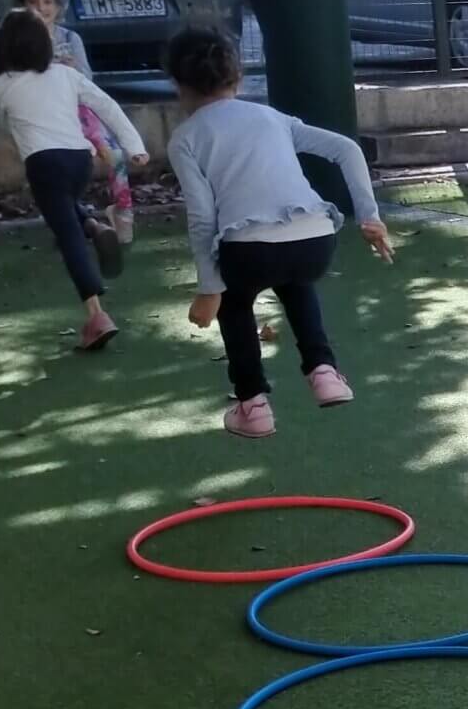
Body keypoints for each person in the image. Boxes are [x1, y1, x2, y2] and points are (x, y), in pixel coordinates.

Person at [163, 27, 391, 439]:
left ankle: (253, 405)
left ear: (178, 85)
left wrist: (209, 287)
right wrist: (369, 216)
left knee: (234, 302)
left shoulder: (185, 138)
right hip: (315, 240)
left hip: (248, 252)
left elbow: (202, 217)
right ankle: (324, 372)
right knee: (295, 279)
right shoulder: (273, 117)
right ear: (237, 77)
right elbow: (347, 149)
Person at [0, 8, 145, 350]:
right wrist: (135, 146)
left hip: (43, 162)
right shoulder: (66, 75)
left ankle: (96, 315)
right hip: (80, 160)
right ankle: (94, 225)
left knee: (67, 234)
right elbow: (107, 105)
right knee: (66, 207)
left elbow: (2, 123)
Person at [21, 0, 134, 246]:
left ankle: (122, 212)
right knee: (59, 174)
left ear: (58, 7)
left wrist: (72, 71)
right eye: (32, 2)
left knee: (115, 156)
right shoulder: (19, 43)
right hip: (46, 118)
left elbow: (88, 81)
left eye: (47, 2)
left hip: (81, 113)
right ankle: (75, 225)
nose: (41, 8)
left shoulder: (70, 38)